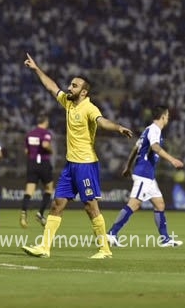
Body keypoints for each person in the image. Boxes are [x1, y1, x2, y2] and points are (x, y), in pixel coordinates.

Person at [21, 53, 133, 259]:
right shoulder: (69, 102)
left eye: (74, 86)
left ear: (84, 91)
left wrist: (117, 128)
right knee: (57, 204)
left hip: (86, 165)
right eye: (70, 84)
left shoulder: (89, 108)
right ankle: (44, 247)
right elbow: (51, 86)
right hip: (71, 165)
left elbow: (102, 121)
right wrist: (36, 69)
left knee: (91, 207)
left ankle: (105, 249)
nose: (69, 87)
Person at [106, 105, 185, 248]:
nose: (168, 118)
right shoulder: (154, 130)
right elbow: (155, 147)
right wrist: (172, 160)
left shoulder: (147, 130)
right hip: (144, 174)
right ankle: (111, 234)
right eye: (167, 115)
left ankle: (165, 239)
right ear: (163, 116)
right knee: (134, 204)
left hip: (148, 176)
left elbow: (135, 149)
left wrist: (127, 167)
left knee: (160, 204)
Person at [20, 114, 54, 228]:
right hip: (43, 163)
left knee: (29, 190)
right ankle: (40, 213)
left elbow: (26, 151)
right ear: (45, 122)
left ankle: (24, 213)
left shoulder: (29, 134)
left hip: (32, 163)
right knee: (49, 188)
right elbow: (45, 144)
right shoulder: (45, 133)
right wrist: (50, 150)